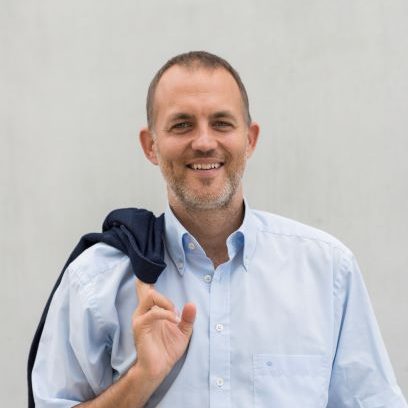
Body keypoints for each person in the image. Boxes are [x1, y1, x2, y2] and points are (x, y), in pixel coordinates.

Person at [31, 51, 407, 407]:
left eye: (222, 123)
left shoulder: (327, 271)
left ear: (250, 139)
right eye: (182, 125)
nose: (204, 142)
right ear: (151, 146)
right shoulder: (95, 280)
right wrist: (142, 378)